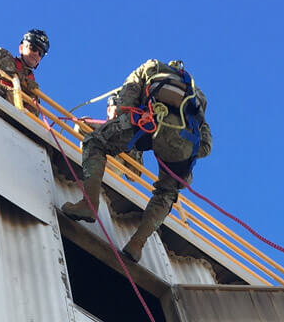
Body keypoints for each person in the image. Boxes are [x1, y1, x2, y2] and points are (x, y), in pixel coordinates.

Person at [61, 59, 212, 262]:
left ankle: (88, 204)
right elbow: (206, 145)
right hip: (182, 142)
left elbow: (130, 91)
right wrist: (184, 153)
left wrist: (123, 120)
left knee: (95, 142)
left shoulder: (152, 67)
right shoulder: (197, 95)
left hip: (146, 123)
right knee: (167, 193)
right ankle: (136, 244)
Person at [0, 29, 50, 115]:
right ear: (21, 48)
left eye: (40, 53)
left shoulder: (33, 88)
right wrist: (8, 71)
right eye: (33, 48)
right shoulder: (4, 56)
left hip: (8, 116)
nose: (36, 54)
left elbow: (32, 114)